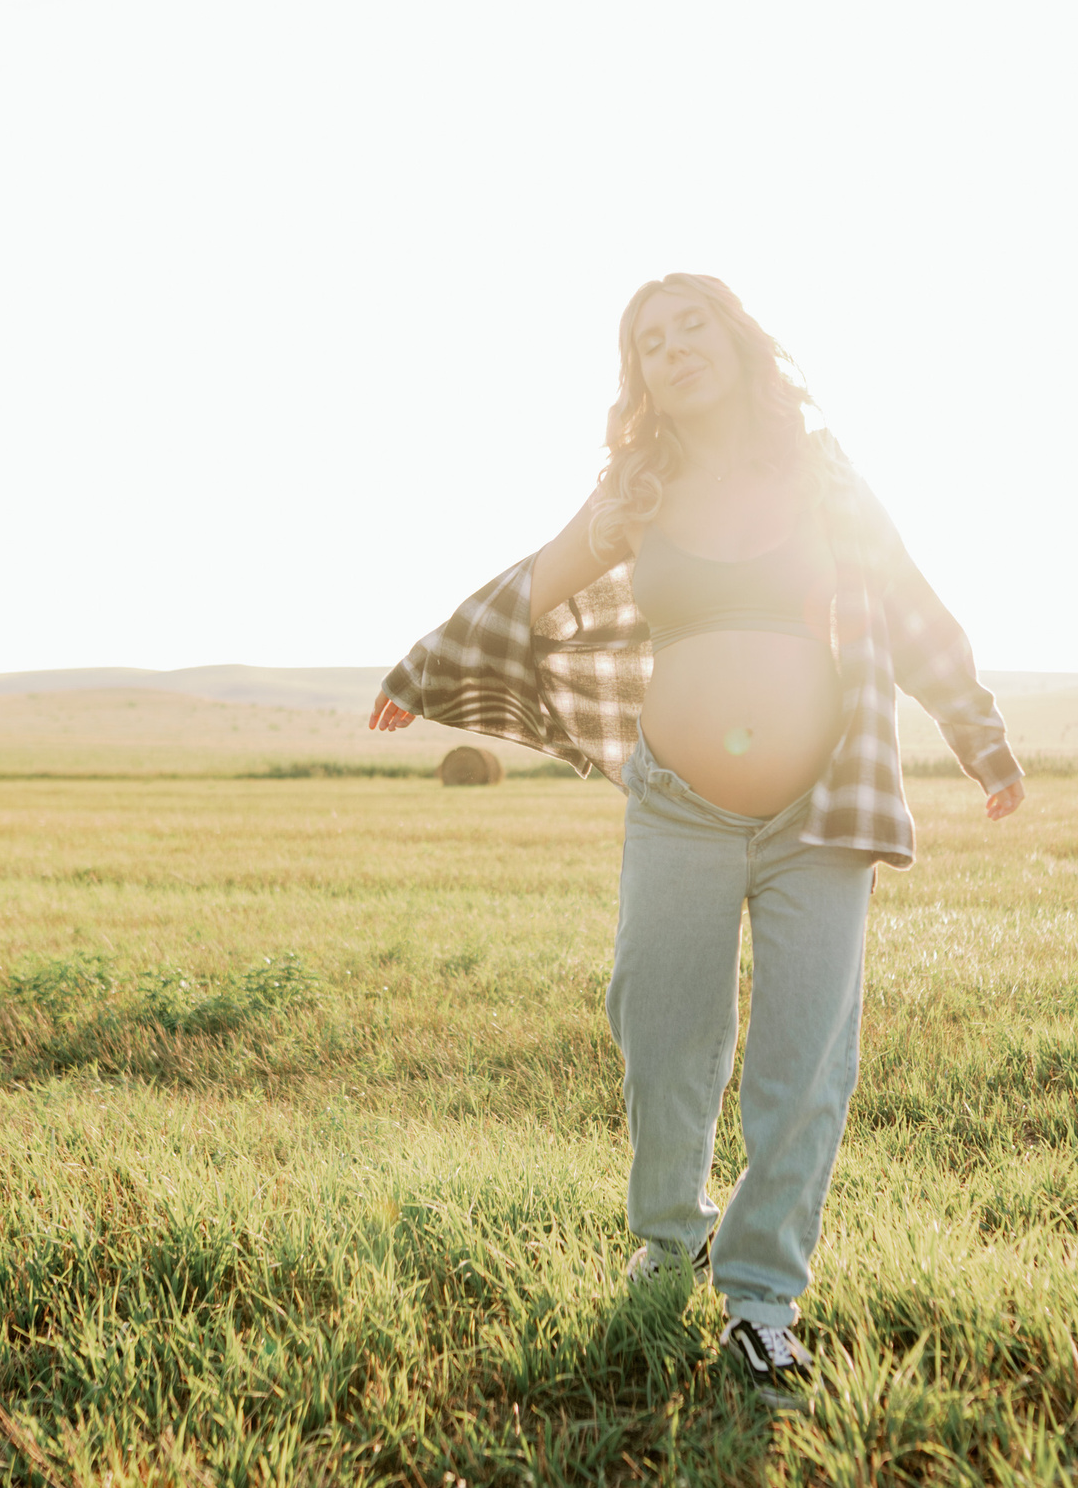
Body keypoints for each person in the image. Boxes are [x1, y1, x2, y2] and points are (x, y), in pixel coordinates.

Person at [370, 273, 1024, 1394]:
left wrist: (978, 731)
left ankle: (762, 1300)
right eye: (649, 342)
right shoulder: (638, 492)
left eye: (691, 328)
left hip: (822, 808)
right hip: (676, 803)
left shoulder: (821, 475)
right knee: (662, 1036)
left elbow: (907, 602)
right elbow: (533, 585)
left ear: (736, 340)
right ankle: (672, 1233)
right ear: (641, 379)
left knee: (803, 1060)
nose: (674, 349)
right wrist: (425, 664)